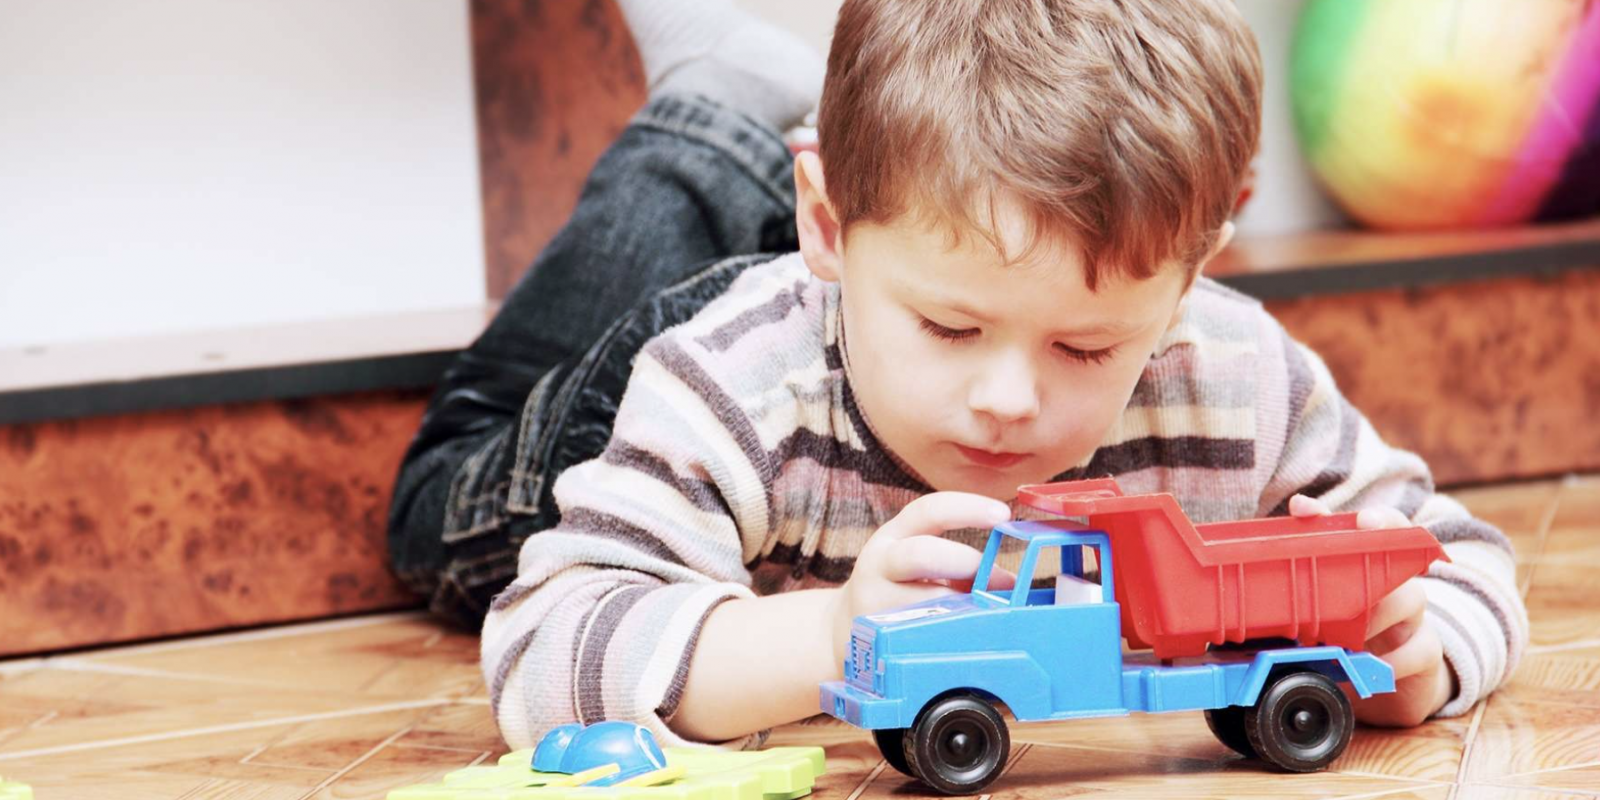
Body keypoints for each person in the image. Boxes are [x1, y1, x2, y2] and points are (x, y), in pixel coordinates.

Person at [387, 0, 1528, 751]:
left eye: (1086, 347)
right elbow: (543, 648)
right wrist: (831, 637)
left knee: (930, 241)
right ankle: (708, 123)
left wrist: (1421, 652)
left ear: (1191, 274)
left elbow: (1455, 554)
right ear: (827, 226)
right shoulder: (727, 383)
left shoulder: (1235, 374)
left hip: (870, 268)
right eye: (950, 328)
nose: (1008, 400)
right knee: (437, 504)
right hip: (663, 384)